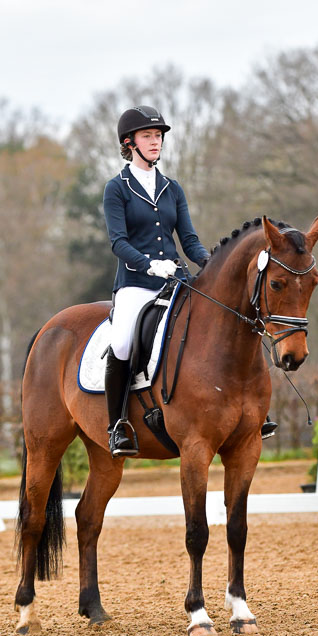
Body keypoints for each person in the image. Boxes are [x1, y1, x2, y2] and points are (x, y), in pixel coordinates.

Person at [103, 105, 210, 457]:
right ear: (129, 142)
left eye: (159, 136)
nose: (156, 141)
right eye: (148, 136)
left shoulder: (172, 188)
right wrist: (149, 265)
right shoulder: (116, 189)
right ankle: (117, 424)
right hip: (136, 282)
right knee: (120, 344)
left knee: (216, 326)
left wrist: (211, 263)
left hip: (176, 280)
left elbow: (189, 241)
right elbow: (118, 242)